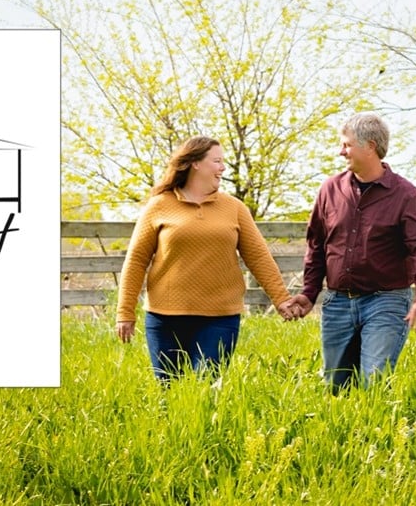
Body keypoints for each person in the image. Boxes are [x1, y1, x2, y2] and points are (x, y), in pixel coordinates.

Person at [115, 136, 301, 382]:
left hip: (220, 317)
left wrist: (282, 299)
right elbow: (136, 260)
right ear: (195, 163)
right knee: (169, 390)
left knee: (207, 387)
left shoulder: (234, 208)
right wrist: (125, 311)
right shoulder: (159, 206)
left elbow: (258, 257)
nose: (223, 167)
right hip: (165, 317)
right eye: (217, 161)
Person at [286, 113, 416, 392]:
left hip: (387, 301)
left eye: (346, 145)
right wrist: (309, 293)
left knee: (376, 380)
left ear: (370, 146)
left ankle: (379, 434)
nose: (340, 151)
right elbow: (317, 245)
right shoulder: (329, 190)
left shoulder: (406, 195)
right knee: (335, 385)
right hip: (337, 302)